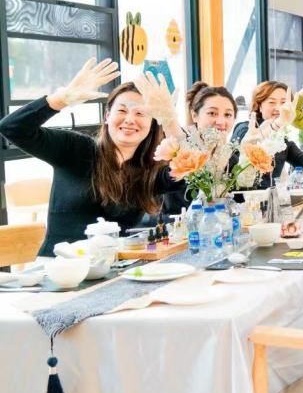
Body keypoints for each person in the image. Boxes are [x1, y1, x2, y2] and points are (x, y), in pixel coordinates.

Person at [0, 59, 179, 256]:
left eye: (140, 113)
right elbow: (12, 128)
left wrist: (170, 120)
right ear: (107, 116)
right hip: (60, 267)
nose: (129, 119)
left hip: (115, 268)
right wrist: (62, 98)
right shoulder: (76, 149)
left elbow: (192, 173)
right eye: (122, 110)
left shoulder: (151, 170)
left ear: (152, 123)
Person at [230, 81, 303, 185]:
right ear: (260, 106)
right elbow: (246, 149)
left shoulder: (281, 139)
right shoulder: (244, 128)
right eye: (272, 102)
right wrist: (278, 123)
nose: (279, 108)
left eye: (283, 103)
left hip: (269, 195)